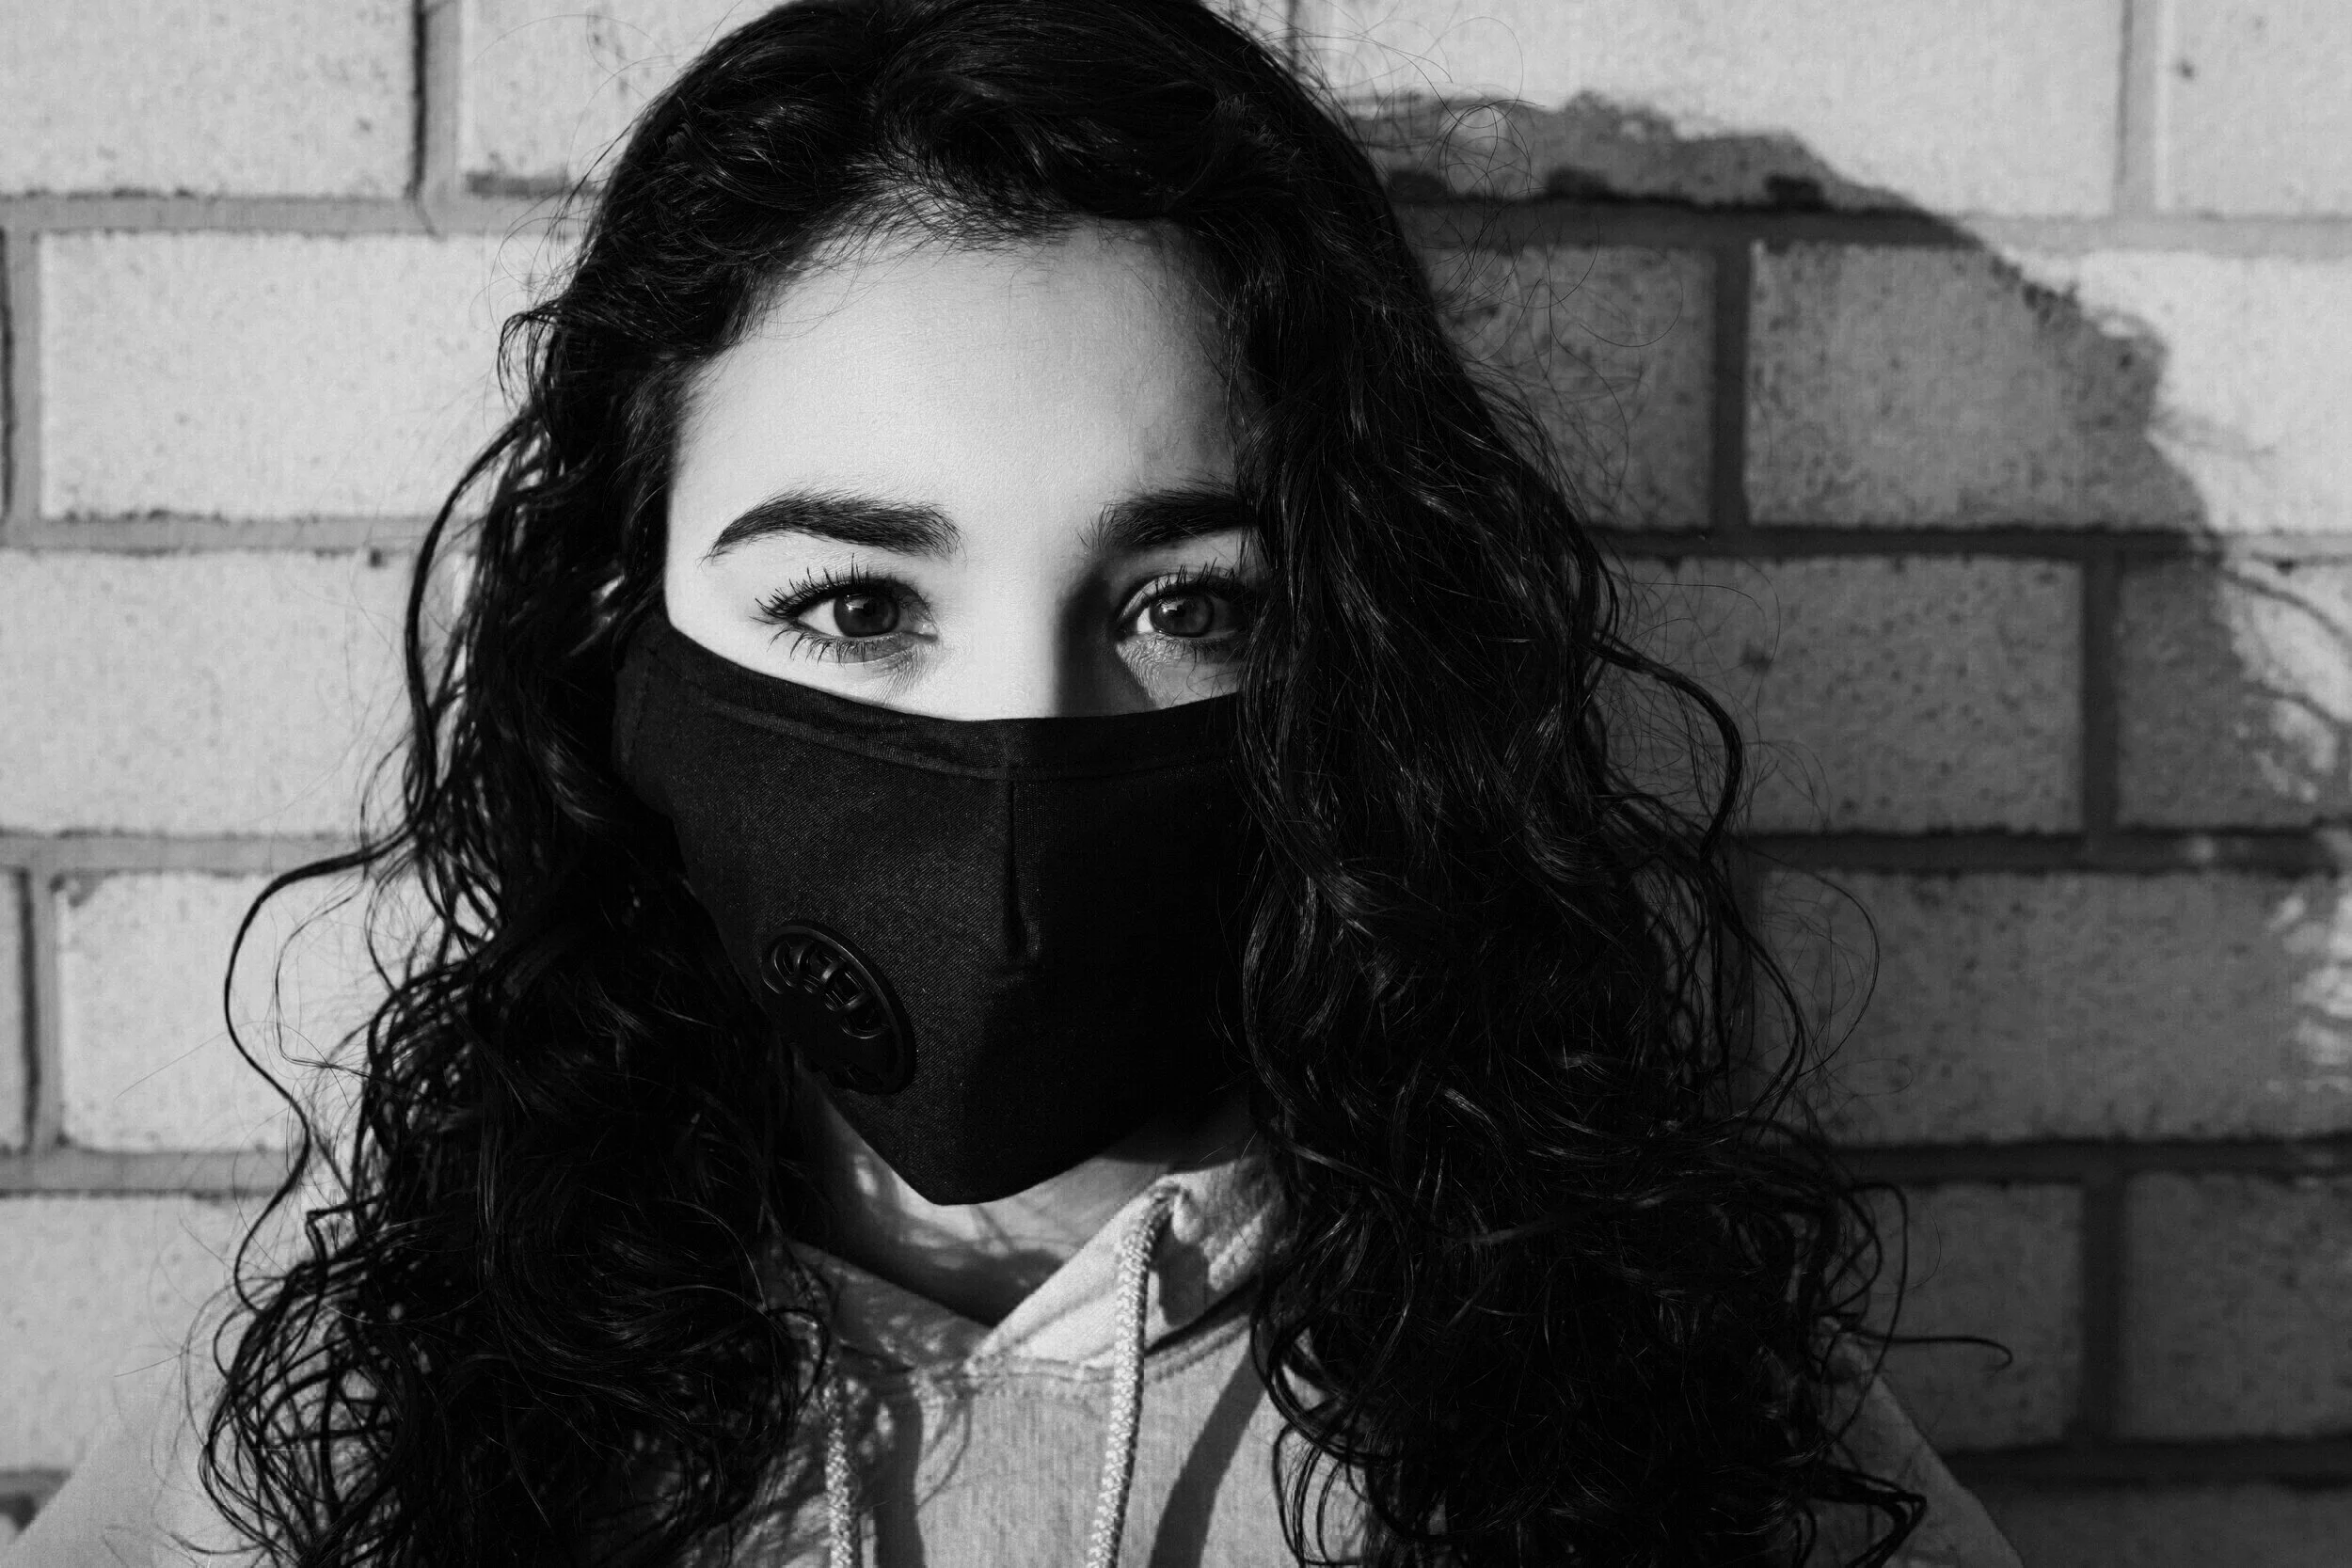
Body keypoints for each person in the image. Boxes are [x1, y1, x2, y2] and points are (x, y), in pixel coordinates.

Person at [7, 1, 2025, 1563]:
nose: (1015, 755)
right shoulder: (386, 1383)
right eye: (855, 603)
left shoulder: (1637, 1389)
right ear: (623, 627)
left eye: (1184, 600)